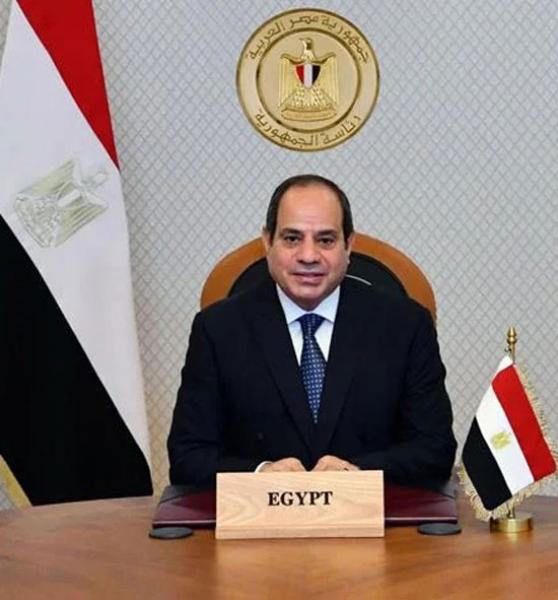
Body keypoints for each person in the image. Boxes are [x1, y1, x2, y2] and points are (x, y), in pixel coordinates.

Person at [168, 174, 456, 486]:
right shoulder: (218, 329)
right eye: (292, 238)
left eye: (326, 240)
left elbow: (435, 451)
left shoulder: (405, 326)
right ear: (267, 242)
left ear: (349, 245)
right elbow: (187, 458)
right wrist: (260, 474)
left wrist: (357, 473)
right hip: (258, 513)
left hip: (373, 514)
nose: (308, 256)